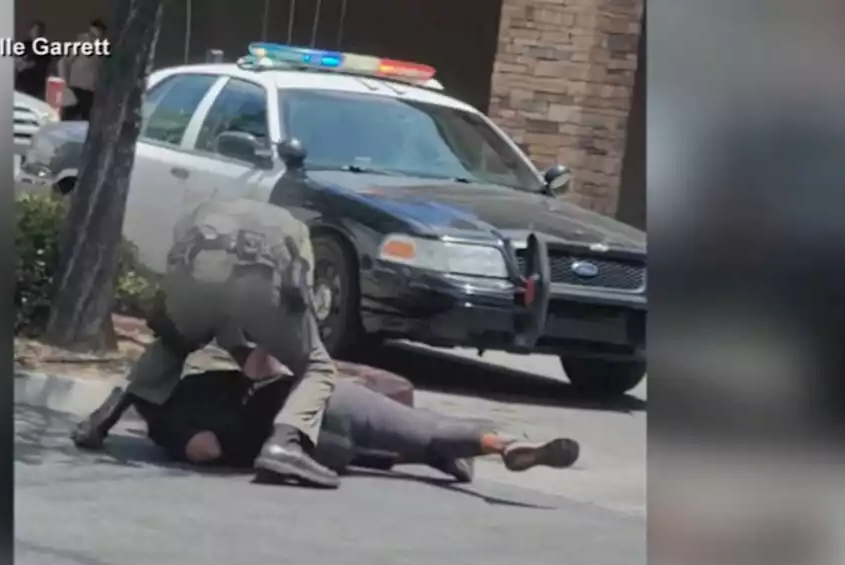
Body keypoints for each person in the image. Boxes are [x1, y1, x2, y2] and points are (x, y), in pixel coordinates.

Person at [71, 199, 341, 489]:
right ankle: (284, 445)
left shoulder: (211, 212)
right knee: (318, 367)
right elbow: (297, 295)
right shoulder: (296, 231)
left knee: (174, 344)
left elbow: (217, 313)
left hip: (194, 274)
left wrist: (237, 350)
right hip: (261, 279)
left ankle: (105, 415)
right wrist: (274, 349)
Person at [129, 344, 581, 481]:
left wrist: (232, 445)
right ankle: (501, 445)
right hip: (326, 405)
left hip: (320, 451)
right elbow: (262, 366)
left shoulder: (168, 421)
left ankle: (439, 455)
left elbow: (204, 450)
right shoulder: (204, 379)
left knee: (377, 451)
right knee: (424, 429)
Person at [58, 19, 105, 121]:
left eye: (97, 37)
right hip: (76, 88)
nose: (94, 39)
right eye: (92, 35)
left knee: (86, 120)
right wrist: (65, 84)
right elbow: (63, 62)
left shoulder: (101, 50)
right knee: (68, 119)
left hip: (92, 91)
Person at [14, 20, 53, 99]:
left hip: (38, 84)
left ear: (43, 33)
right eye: (35, 30)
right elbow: (17, 62)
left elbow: (45, 63)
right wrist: (22, 63)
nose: (37, 32)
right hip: (22, 83)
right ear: (30, 31)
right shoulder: (23, 45)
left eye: (39, 30)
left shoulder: (46, 47)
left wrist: (30, 64)